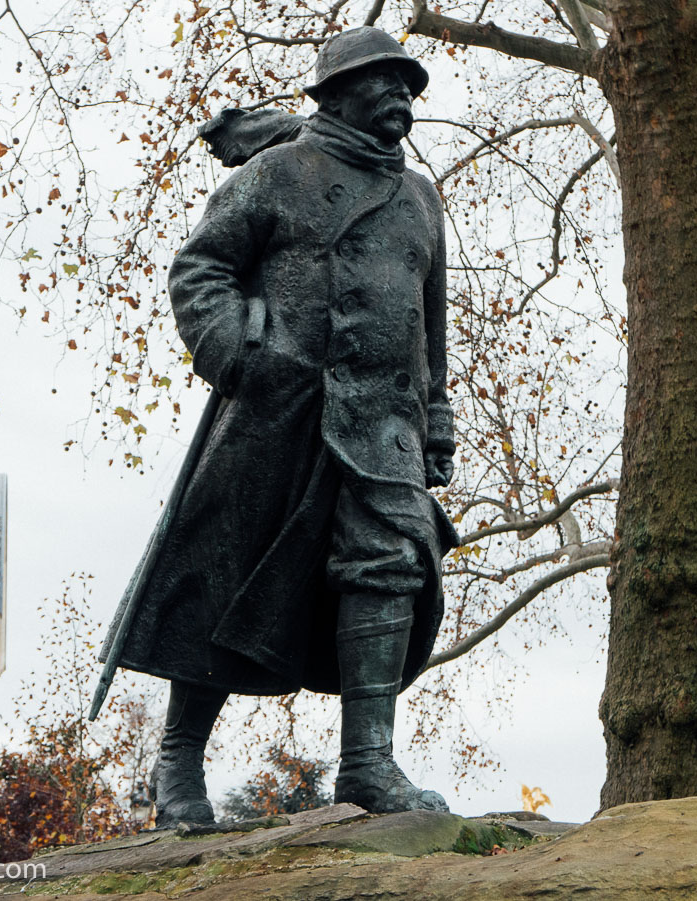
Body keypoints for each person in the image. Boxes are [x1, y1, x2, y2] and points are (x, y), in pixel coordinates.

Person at [94, 26, 457, 825]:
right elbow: (200, 267)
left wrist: (436, 418)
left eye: (408, 82)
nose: (403, 93)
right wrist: (238, 353)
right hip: (282, 411)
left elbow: (430, 322)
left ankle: (366, 763)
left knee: (389, 566)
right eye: (383, 79)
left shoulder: (421, 197)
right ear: (334, 94)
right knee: (227, 581)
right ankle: (178, 764)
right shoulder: (278, 172)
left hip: (384, 422)